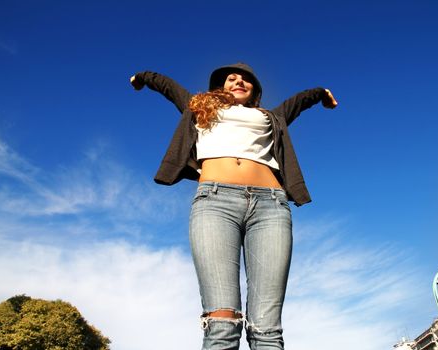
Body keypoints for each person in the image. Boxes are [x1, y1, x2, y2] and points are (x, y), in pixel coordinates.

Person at [130, 63, 337, 350]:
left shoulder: (271, 116)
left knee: (267, 329)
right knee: (221, 324)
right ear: (221, 87)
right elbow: (168, 86)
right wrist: (143, 78)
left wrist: (320, 94)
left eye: (245, 79)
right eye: (231, 78)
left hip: (270, 207)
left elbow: (298, 102)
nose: (238, 81)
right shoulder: (199, 108)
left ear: (254, 89)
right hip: (215, 203)